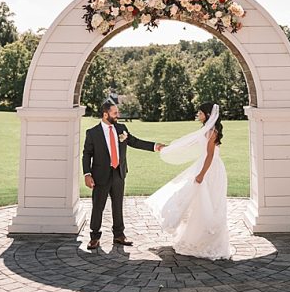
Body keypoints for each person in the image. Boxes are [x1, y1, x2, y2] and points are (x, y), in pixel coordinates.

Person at [146, 102, 233, 260]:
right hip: (204, 165)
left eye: (200, 113)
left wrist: (201, 174)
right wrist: (169, 148)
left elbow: (210, 155)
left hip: (211, 170)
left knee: (209, 203)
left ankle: (209, 241)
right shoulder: (205, 129)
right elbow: (190, 143)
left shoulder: (212, 132)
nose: (198, 115)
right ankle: (196, 237)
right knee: (197, 202)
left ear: (207, 114)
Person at [82, 101, 164, 250]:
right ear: (105, 114)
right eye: (115, 113)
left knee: (118, 205)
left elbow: (134, 141)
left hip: (119, 173)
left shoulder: (121, 129)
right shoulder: (92, 133)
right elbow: (87, 155)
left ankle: (119, 235)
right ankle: (94, 237)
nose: (118, 115)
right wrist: (87, 174)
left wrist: (155, 146)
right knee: (98, 207)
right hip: (100, 175)